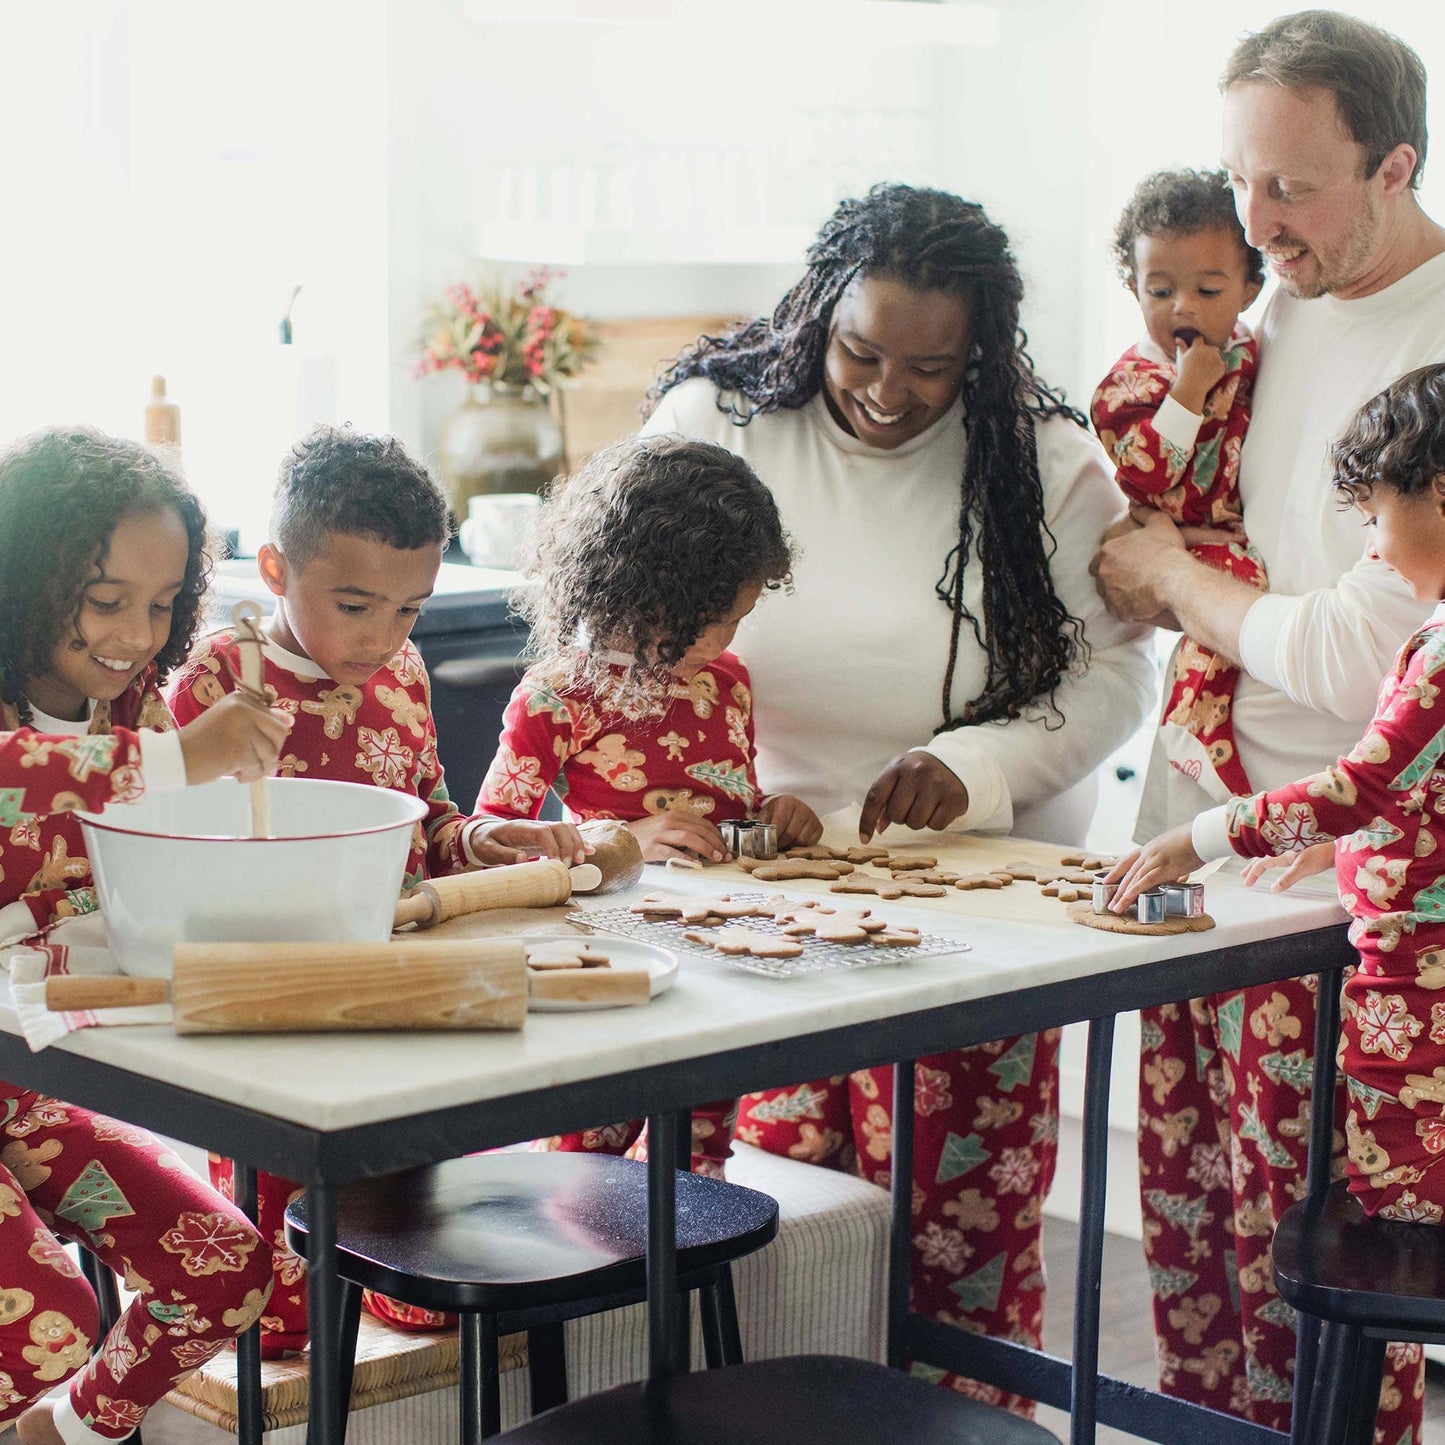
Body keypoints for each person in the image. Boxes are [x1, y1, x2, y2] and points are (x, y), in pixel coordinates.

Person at [641, 182, 1155, 1414]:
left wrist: (974, 764)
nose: (886, 390)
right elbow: (625, 633)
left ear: (980, 353)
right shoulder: (717, 419)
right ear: (814, 311)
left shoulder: (1038, 455)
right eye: (859, 350)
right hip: (749, 895)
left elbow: (1116, 669)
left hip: (972, 907)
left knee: (952, 1246)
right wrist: (681, 792)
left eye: (931, 366)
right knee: (776, 1223)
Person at [1089, 11, 1445, 1435]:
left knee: (1311, 1273)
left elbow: (1365, 660)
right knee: (1183, 1233)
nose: (1256, 223)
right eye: (1242, 181)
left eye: (1292, 188)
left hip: (1337, 882)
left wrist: (1174, 576)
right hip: (1191, 827)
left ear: (1396, 166)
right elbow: (1126, 531)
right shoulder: (1245, 308)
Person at [168, 426, 584, 1354]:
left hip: (396, 981)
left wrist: (480, 835)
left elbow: (427, 814)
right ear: (275, 568)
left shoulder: (400, 671)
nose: (382, 636)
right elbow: (173, 842)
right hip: (269, 996)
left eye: (409, 609)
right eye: (355, 604)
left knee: (406, 1218)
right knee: (277, 1311)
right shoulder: (216, 682)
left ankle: (387, 1277)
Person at [0, 427, 286, 1445]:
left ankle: (53, 1438)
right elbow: (20, 776)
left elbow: (156, 839)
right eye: (106, 597)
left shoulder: (131, 704)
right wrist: (177, 762)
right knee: (46, 1325)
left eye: (163, 605)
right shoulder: (124, 737)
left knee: (228, 1265)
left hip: (24, 1079)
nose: (136, 634)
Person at [1111, 362, 1445, 1228]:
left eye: (1374, 519)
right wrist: (1349, 845)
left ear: (1440, 495)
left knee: (1397, 1236)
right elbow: (1417, 799)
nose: (1371, 547)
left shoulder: (1439, 649)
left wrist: (1205, 834)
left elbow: (1360, 781)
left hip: (1418, 1000)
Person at [476, 431, 818, 1175]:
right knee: (583, 1151)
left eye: (739, 618)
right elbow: (495, 842)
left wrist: (773, 816)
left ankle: (690, 1285)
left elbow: (730, 799)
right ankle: (584, 1285)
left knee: (701, 1153)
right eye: (717, 616)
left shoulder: (726, 681)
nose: (729, 637)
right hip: (612, 959)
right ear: (649, 593)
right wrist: (627, 834)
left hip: (719, 959)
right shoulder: (559, 693)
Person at [1091, 168, 1265, 799]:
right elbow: (1147, 470)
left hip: (1236, 535)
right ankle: (1192, 738)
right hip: (1184, 541)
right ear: (1133, 286)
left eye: (1208, 289)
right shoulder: (1127, 387)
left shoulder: (1252, 350)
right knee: (1211, 640)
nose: (1182, 307)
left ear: (1248, 289)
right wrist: (1188, 386)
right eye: (1159, 289)